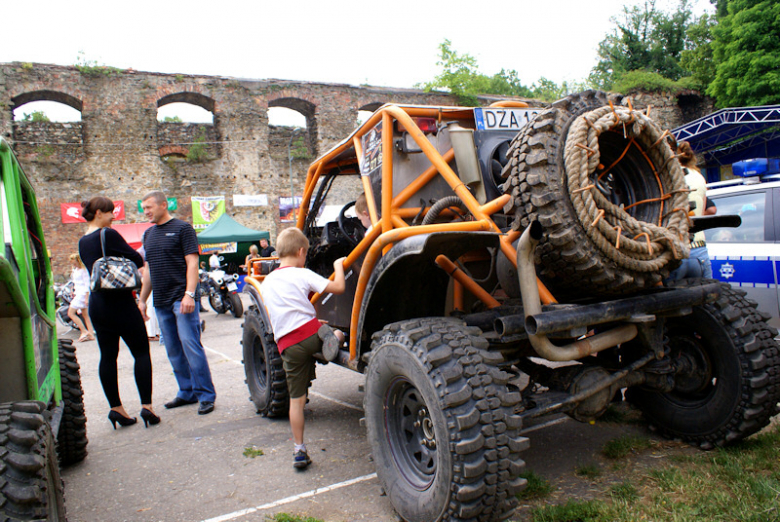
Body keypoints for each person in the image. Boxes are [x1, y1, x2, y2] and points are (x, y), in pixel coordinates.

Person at [260, 228, 346, 470]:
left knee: (296, 402)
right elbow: (338, 287)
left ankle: (299, 449)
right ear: (301, 252)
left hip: (288, 343)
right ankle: (333, 341)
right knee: (335, 331)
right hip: (310, 336)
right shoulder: (302, 274)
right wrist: (339, 264)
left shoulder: (268, 282)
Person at [78, 197, 159, 429]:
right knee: (141, 353)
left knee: (107, 356)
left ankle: (116, 409)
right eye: (110, 212)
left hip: (98, 305)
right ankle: (147, 407)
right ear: (98, 213)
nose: (114, 217)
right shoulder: (108, 234)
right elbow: (135, 258)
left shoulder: (82, 241)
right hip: (121, 303)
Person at [139, 191, 216, 415]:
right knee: (173, 349)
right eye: (143, 208)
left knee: (191, 346)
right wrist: (142, 300)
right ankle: (186, 392)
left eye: (149, 207)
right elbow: (149, 271)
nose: (146, 212)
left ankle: (206, 395)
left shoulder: (183, 229)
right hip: (160, 301)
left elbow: (192, 263)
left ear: (164, 205)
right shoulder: (148, 234)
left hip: (181, 299)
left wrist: (189, 295)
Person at [668, 141, 717, 280]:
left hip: (676, 251)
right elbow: (708, 209)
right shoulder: (699, 177)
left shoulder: (668, 175)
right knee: (707, 298)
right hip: (699, 250)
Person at [67, 253, 95, 342]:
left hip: (82, 294)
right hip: (78, 293)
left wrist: (87, 297)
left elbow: (87, 284)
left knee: (71, 313)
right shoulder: (76, 270)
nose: (73, 265)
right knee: (85, 315)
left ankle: (84, 331)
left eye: (74, 262)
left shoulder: (84, 270)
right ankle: (90, 333)